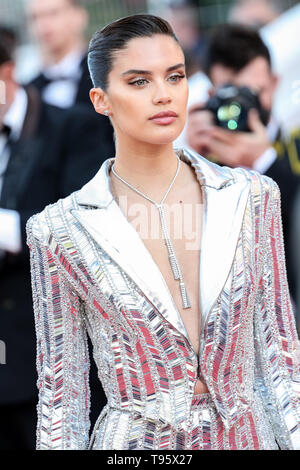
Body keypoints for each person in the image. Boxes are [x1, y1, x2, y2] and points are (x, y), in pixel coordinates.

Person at [26, 14, 300, 450]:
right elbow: (62, 398)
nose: (163, 95)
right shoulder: (59, 230)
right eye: (139, 81)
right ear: (101, 100)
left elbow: (283, 356)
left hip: (249, 439)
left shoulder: (252, 197)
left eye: (174, 76)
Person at [0, 28, 113, 450]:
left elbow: (86, 225)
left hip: (51, 358)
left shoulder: (74, 128)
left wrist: (7, 227)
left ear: (8, 72)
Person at [185, 24, 300, 310]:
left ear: (274, 83)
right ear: (211, 93)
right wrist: (187, 160)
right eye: (231, 94)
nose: (244, 108)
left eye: (254, 92)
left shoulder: (295, 144)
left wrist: (264, 162)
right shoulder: (197, 158)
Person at [27, 0, 92, 109]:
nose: (43, 25)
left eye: (53, 13)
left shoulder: (106, 74)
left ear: (80, 16)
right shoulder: (30, 90)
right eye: (35, 17)